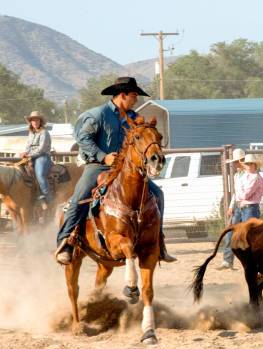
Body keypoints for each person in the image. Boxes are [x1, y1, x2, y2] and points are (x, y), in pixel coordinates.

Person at [55, 77, 176, 265]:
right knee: (80, 197)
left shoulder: (135, 118)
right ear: (122, 95)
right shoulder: (98, 115)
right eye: (134, 95)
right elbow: (83, 139)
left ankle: (159, 242)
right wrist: (104, 156)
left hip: (126, 169)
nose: (136, 100)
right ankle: (66, 242)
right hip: (98, 166)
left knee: (158, 194)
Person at [221, 148, 246, 269]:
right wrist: (231, 206)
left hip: (246, 205)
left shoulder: (249, 174)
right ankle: (227, 260)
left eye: (237, 161)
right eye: (235, 162)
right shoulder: (237, 176)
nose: (235, 164)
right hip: (237, 205)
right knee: (230, 232)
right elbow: (236, 193)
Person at [21, 111, 52, 204]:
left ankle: (49, 199)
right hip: (31, 156)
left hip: (42, 157)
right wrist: (25, 152)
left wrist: (29, 155)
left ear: (40, 121)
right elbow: (28, 146)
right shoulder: (31, 133)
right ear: (30, 122)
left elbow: (41, 149)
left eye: (37, 120)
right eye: (33, 120)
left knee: (40, 175)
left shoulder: (44, 132)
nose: (35, 122)